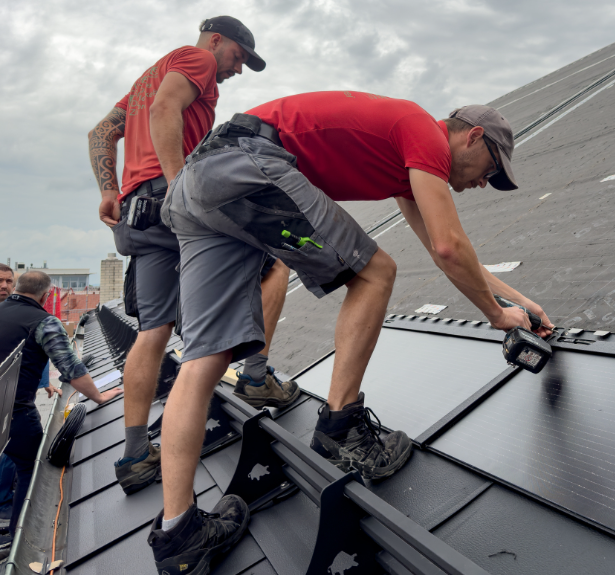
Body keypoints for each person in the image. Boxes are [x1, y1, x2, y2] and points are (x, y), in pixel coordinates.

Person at [151, 91, 554, 571]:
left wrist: (520, 306)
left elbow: (447, 253)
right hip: (248, 163)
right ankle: (341, 429)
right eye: (492, 168)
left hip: (198, 182)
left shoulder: (408, 166)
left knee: (205, 357)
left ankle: (179, 536)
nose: (486, 183)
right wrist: (494, 316)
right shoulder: (424, 133)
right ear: (473, 136)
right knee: (375, 273)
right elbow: (450, 246)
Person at [86, 16, 299, 496]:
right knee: (274, 265)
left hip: (137, 213)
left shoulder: (146, 78)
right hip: (170, 197)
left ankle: (136, 455)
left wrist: (109, 190)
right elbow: (166, 110)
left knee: (153, 331)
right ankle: (256, 377)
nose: (237, 71)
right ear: (217, 41)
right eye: (238, 58)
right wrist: (185, 189)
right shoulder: (196, 58)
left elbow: (100, 132)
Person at [0, 272, 123, 537]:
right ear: (45, 296)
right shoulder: (44, 322)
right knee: (32, 470)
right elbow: (72, 369)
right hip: (13, 413)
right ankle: (17, 536)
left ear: (17, 288)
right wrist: (99, 397)